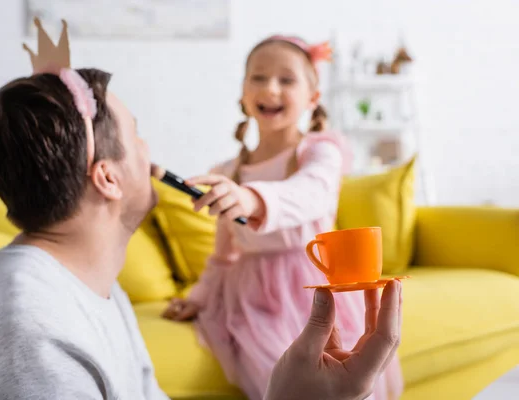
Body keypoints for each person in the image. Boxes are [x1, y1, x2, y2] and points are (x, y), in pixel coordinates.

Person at [0, 22, 403, 399]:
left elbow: (313, 192)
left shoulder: (101, 296)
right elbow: (225, 256)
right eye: (136, 135)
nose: (150, 152)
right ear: (107, 176)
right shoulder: (26, 342)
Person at [162, 35, 403, 400]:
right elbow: (224, 255)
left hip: (314, 288)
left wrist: (251, 199)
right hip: (252, 298)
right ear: (243, 92)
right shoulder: (229, 171)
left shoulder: (321, 151)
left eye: (286, 80)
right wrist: (199, 297)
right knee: (280, 376)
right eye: (258, 77)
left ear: (313, 97)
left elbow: (311, 193)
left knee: (349, 372)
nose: (270, 88)